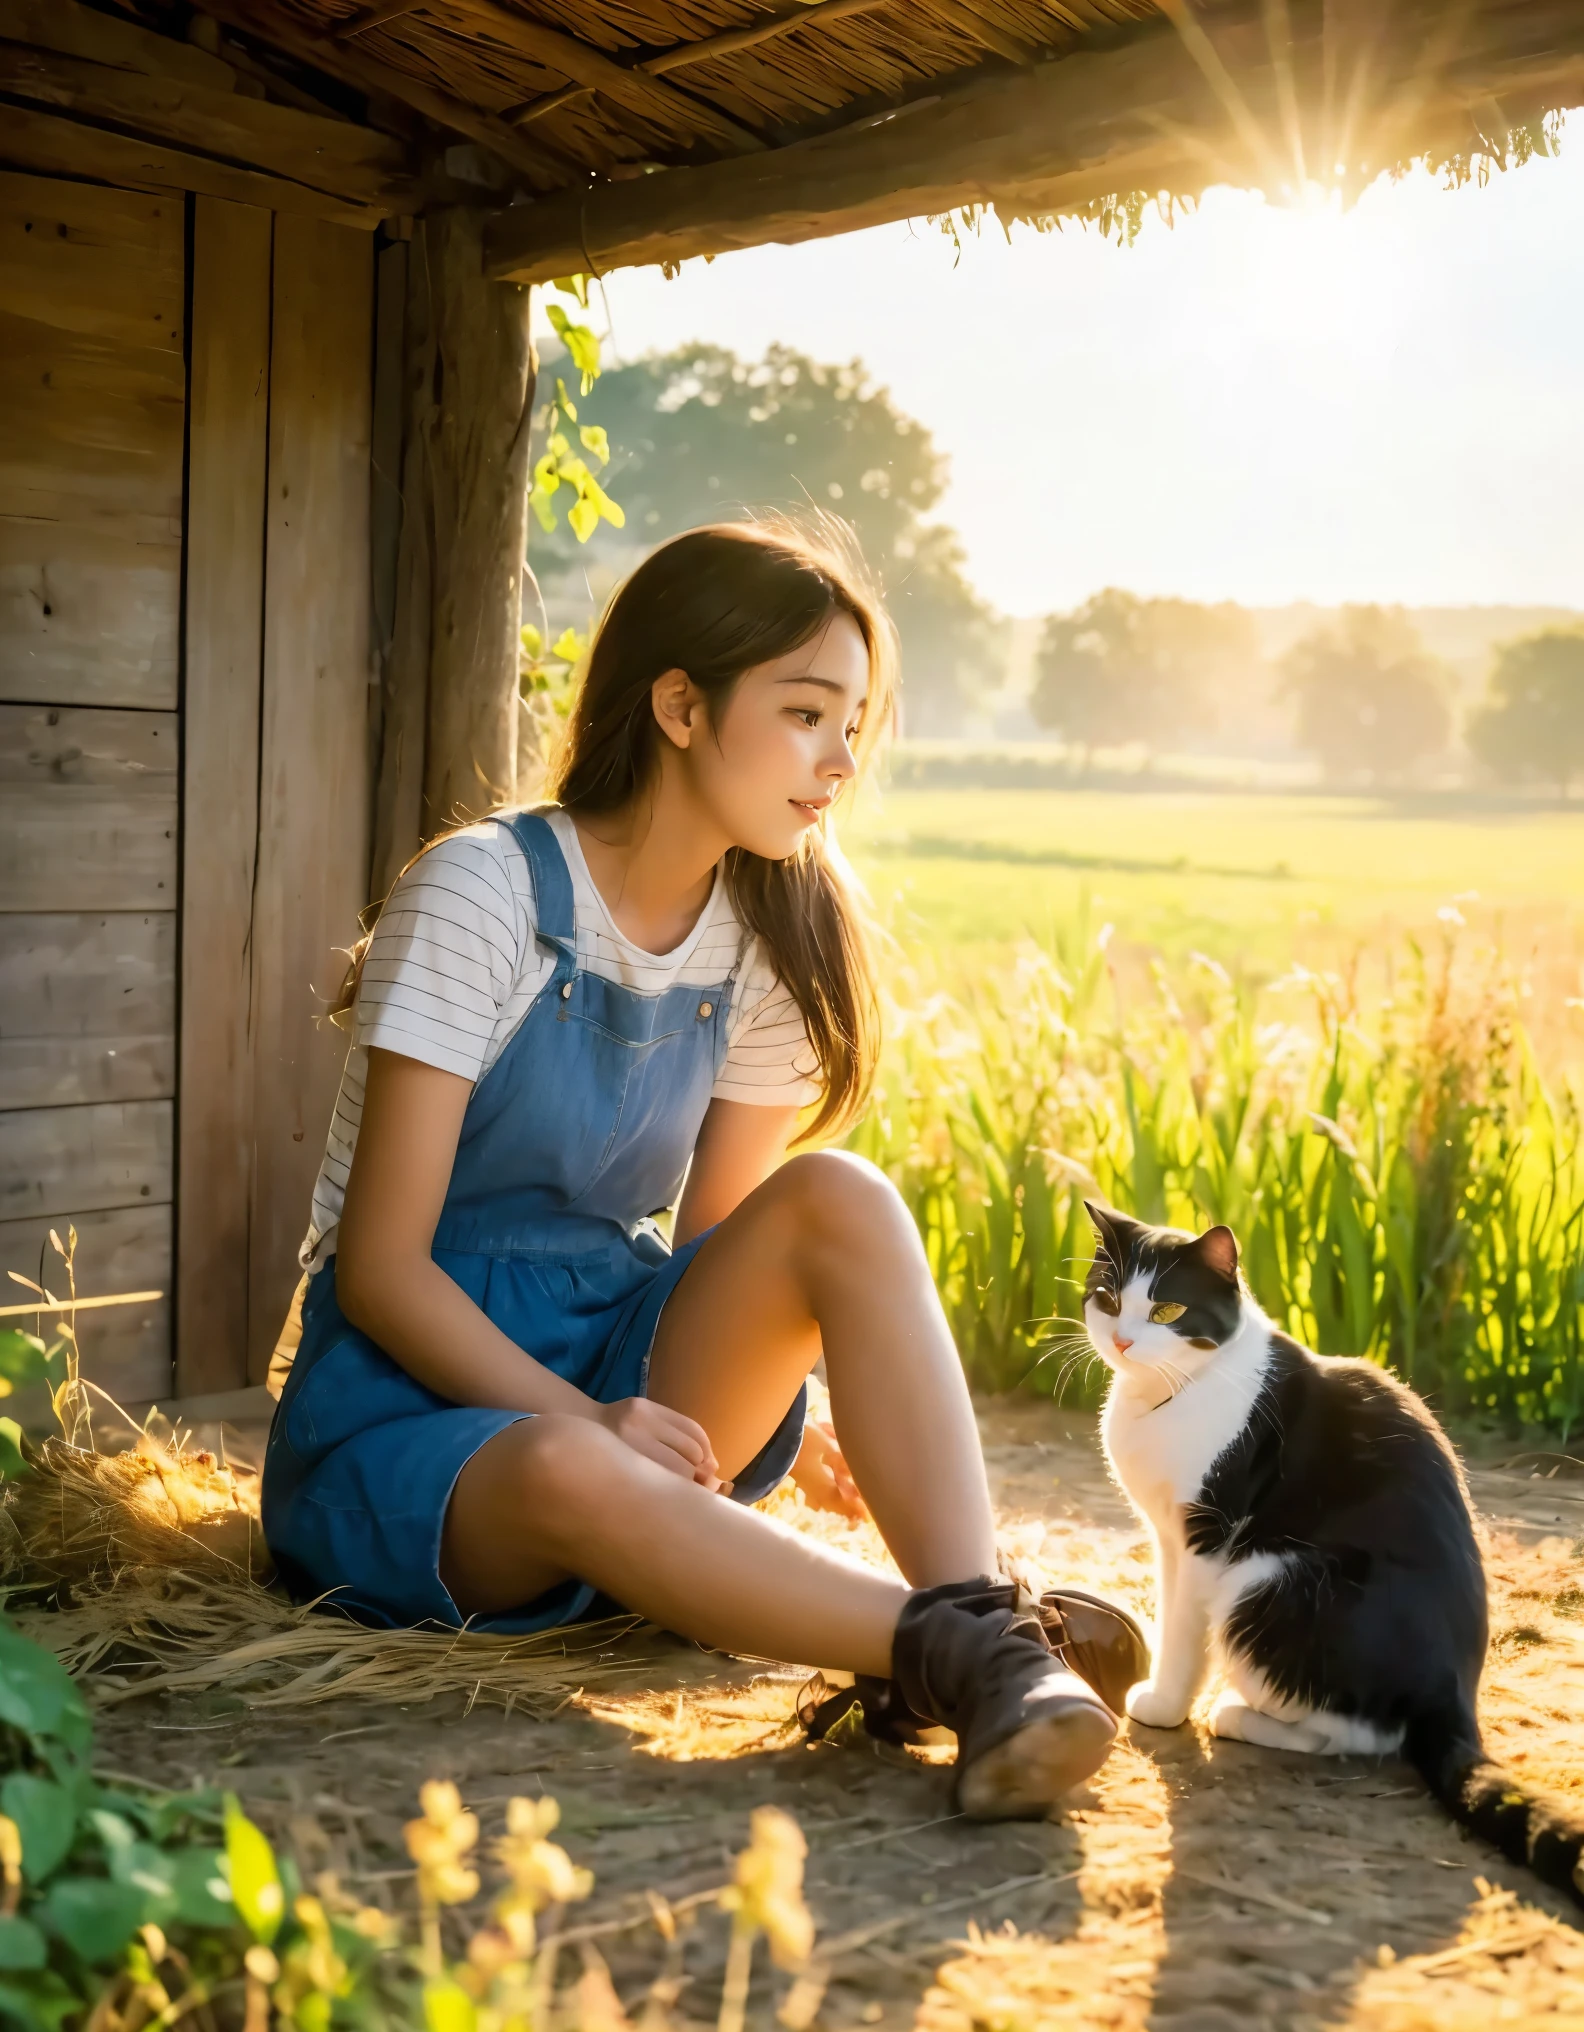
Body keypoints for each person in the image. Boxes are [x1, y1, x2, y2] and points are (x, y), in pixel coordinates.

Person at [261, 520, 1146, 1819]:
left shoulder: (770, 934)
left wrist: (800, 1403)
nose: (841, 762)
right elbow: (384, 1274)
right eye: (804, 714)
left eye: (854, 723)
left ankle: (977, 1625)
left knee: (841, 1194)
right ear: (680, 704)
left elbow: (726, 1254)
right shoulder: (482, 892)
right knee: (574, 1473)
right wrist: (582, 1421)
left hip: (622, 1371)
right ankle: (964, 1650)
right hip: (409, 1414)